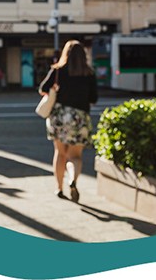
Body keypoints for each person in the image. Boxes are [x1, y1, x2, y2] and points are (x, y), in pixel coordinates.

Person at [38, 40, 97, 203]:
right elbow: (94, 98)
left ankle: (59, 188)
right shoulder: (89, 73)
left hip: (59, 117)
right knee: (75, 156)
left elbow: (43, 88)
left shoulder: (58, 70)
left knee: (60, 153)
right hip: (80, 118)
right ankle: (73, 180)